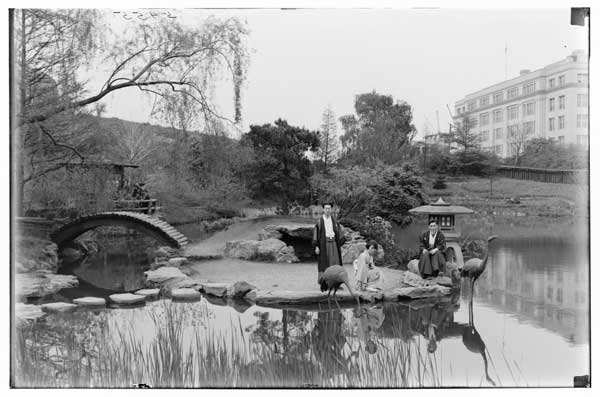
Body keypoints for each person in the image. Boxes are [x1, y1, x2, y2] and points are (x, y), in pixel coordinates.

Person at [312, 202, 346, 285]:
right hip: (324, 245)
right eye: (326, 208)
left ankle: (336, 282)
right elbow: (316, 235)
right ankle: (325, 282)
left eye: (329, 208)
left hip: (334, 244)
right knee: (324, 263)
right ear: (323, 209)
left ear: (331, 209)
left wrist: (341, 242)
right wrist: (316, 246)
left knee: (335, 262)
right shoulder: (319, 222)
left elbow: (339, 233)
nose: (327, 210)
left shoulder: (335, 221)